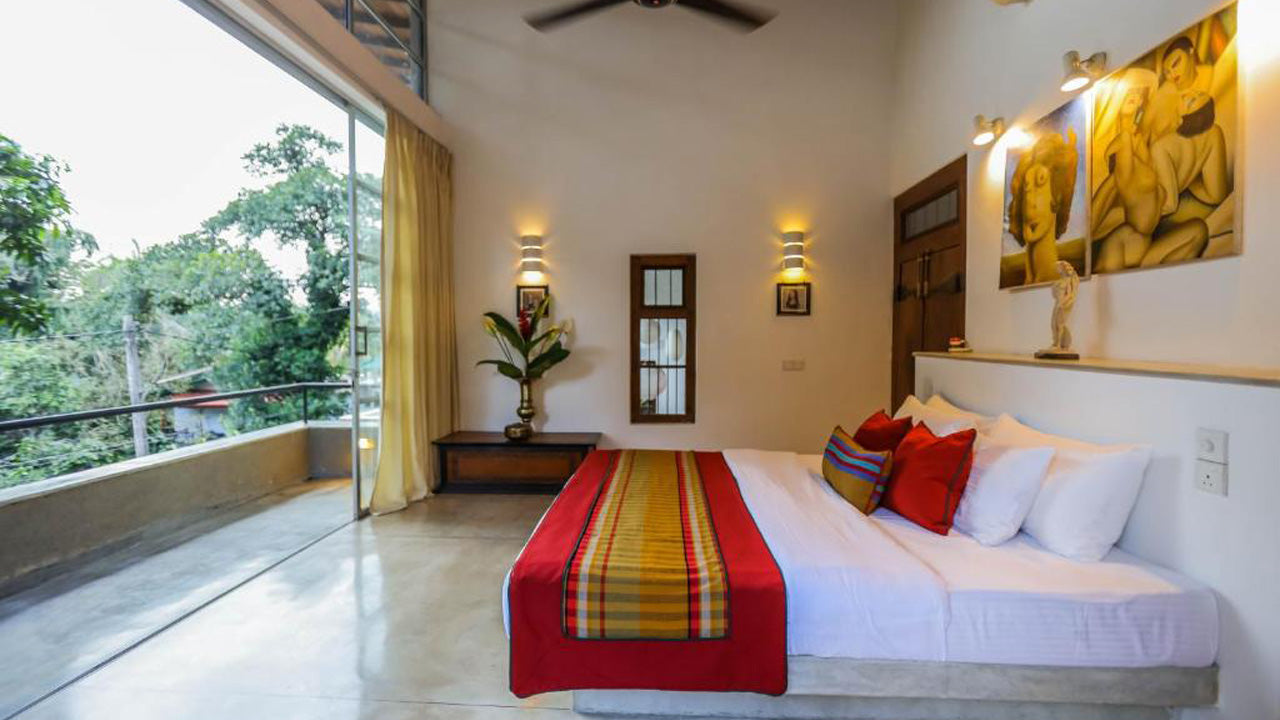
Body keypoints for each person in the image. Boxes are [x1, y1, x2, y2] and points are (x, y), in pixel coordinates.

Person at [1007, 129, 1079, 285]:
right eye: (1027, 188)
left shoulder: (1061, 284)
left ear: (1057, 197)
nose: (1030, 201)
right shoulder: (1031, 281)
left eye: (1040, 182)